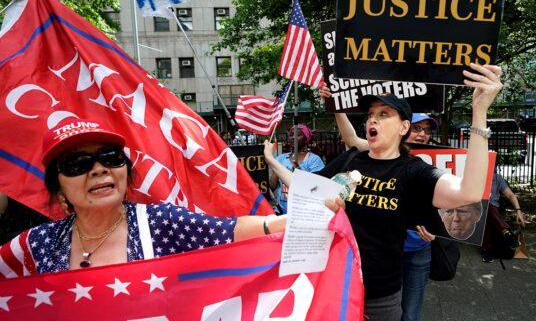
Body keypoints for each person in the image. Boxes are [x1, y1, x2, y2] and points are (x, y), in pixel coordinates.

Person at [264, 63, 502, 320]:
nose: (373, 119)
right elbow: (305, 186)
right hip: (335, 286)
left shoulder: (413, 171)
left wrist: (479, 112)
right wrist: (272, 160)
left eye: (384, 113)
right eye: (370, 114)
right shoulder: (351, 159)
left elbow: (470, 192)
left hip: (380, 298)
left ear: (403, 128)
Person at [0, 118, 344, 278]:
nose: (99, 169)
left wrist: (309, 213)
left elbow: (232, 229)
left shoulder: (161, 224)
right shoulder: (34, 247)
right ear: (58, 188)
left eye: (111, 157)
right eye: (77, 163)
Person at [317, 87, 440, 321]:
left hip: (416, 249)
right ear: (404, 129)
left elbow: (452, 200)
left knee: (410, 313)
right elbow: (351, 139)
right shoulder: (375, 151)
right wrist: (336, 106)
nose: (421, 134)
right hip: (380, 260)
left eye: (426, 130)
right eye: (416, 128)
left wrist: (438, 226)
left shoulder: (423, 167)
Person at [270, 124, 325, 214]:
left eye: (298, 135)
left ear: (306, 139)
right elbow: (272, 186)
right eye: (291, 135)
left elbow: (316, 188)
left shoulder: (314, 160)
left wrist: (299, 169)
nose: (293, 138)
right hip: (281, 212)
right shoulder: (281, 158)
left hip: (303, 213)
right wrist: (276, 170)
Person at [482, 171, 525, 262]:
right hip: (479, 208)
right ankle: (506, 232)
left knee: (488, 214)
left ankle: (488, 249)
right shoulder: (475, 177)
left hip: (493, 211)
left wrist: (518, 211)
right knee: (485, 205)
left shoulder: (497, 178)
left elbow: (510, 194)